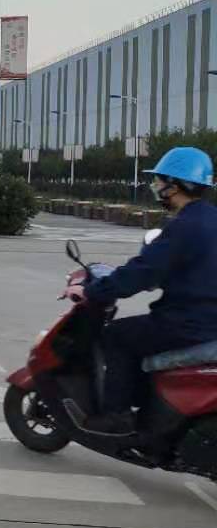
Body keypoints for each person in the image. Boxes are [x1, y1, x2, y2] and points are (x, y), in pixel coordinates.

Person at [73, 146, 217, 436]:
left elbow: (140, 272)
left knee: (116, 335)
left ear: (174, 185)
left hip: (189, 323)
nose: (155, 186)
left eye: (159, 180)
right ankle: (145, 404)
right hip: (208, 320)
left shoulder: (184, 227)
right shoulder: (210, 219)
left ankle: (116, 416)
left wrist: (94, 291)